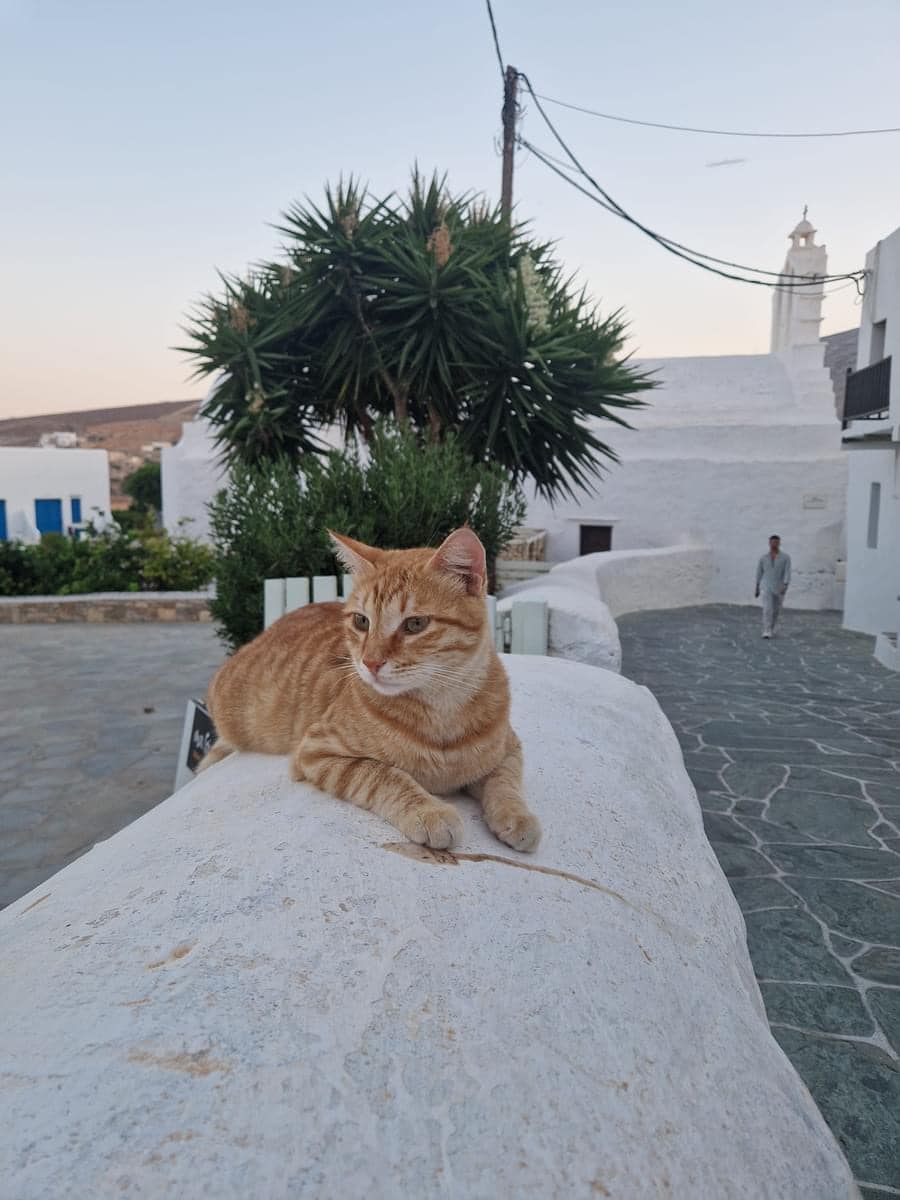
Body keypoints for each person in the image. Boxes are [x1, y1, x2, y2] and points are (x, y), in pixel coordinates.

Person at [755, 535, 791, 638]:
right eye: (772, 542)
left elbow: (787, 572)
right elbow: (759, 572)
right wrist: (757, 586)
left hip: (779, 587)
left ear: (779, 543)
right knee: (767, 608)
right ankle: (766, 630)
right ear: (769, 543)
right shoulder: (763, 558)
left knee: (776, 610)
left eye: (776, 542)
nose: (774, 544)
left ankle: (771, 628)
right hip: (766, 586)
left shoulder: (785, 557)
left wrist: (785, 585)